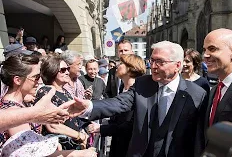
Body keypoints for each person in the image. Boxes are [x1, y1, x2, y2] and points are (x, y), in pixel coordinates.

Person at [66, 41, 207, 157]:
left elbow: (198, 138)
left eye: (160, 62)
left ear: (177, 65)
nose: (153, 66)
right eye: (152, 60)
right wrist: (90, 106)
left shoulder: (197, 94)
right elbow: (119, 102)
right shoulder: (143, 84)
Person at [0, 55, 96, 156]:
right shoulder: (12, 108)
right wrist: (78, 154)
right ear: (17, 80)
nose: (40, 81)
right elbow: (35, 153)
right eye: (36, 77)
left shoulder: (20, 104)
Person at [88, 54, 146, 157]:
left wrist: (102, 128)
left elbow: (129, 126)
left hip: (128, 148)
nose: (117, 66)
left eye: (122, 63)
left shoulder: (139, 93)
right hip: (117, 144)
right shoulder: (123, 88)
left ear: (131, 68)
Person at [35, 55, 89, 150]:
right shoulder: (46, 91)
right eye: (63, 70)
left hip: (73, 144)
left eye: (68, 69)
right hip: (58, 147)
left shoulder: (65, 91)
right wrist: (79, 136)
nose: (67, 72)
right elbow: (52, 125)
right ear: (52, 71)